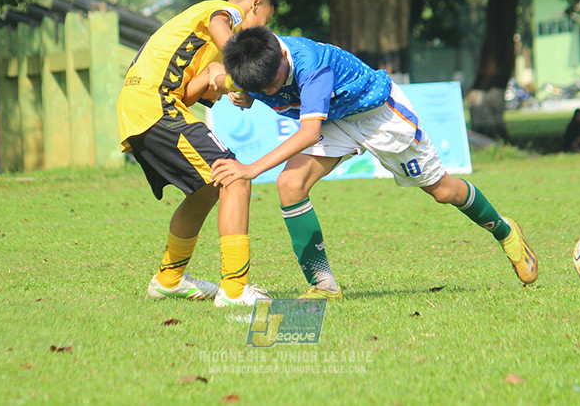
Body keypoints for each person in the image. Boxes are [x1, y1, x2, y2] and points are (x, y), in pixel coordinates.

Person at [211, 26, 538, 300]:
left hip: (378, 115)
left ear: (284, 55)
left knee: (442, 190)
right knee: (290, 184)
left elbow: (309, 132)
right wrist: (246, 93)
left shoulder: (312, 65)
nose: (271, 89)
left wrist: (251, 169)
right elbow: (234, 75)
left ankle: (505, 231)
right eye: (262, 86)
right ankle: (323, 285)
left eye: (273, 81)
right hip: (335, 121)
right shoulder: (252, 63)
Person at [118, 0, 279, 308]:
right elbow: (225, 35)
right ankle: (235, 291)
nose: (261, 30)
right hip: (155, 104)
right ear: (255, 3)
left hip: (140, 107)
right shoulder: (224, 12)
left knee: (209, 185)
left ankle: (169, 280)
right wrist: (247, 66)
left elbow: (195, 90)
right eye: (265, 21)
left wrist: (232, 84)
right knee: (234, 175)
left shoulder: (196, 39)